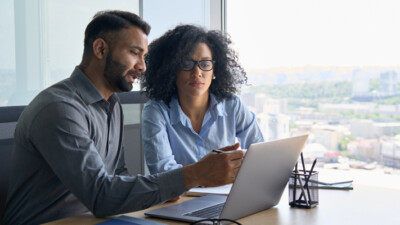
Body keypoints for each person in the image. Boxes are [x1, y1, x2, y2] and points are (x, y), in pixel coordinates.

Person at [1, 11, 245, 225]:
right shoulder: (59, 108)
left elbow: (118, 175)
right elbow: (100, 196)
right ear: (100, 49)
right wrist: (194, 174)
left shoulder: (111, 104)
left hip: (97, 219)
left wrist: (166, 187)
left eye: (144, 56)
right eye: (134, 53)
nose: (143, 67)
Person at [141, 24, 264, 175]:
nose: (197, 72)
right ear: (172, 69)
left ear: (214, 71)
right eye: (187, 64)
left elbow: (260, 152)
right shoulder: (156, 111)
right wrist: (206, 174)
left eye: (205, 64)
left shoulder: (232, 104)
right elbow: (163, 173)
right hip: (181, 198)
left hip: (228, 194)